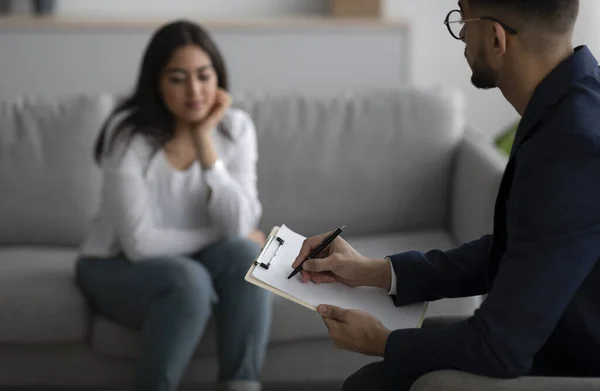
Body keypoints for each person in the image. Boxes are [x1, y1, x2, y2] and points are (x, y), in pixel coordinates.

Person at [292, 0, 600, 390]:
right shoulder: (574, 99)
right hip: (553, 330)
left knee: (378, 381)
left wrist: (382, 341)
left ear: (495, 37)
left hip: (577, 356)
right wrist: (378, 271)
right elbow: (525, 248)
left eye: (463, 20)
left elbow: (501, 348)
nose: (461, 37)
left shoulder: (573, 143)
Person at [76, 20, 272, 391]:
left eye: (203, 75)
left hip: (189, 262)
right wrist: (223, 233)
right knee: (190, 279)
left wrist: (204, 142)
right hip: (114, 265)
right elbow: (140, 244)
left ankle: (241, 385)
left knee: (248, 254)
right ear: (157, 82)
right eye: (178, 78)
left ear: (218, 77)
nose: (194, 90)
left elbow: (240, 224)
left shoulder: (236, 127)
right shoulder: (128, 136)